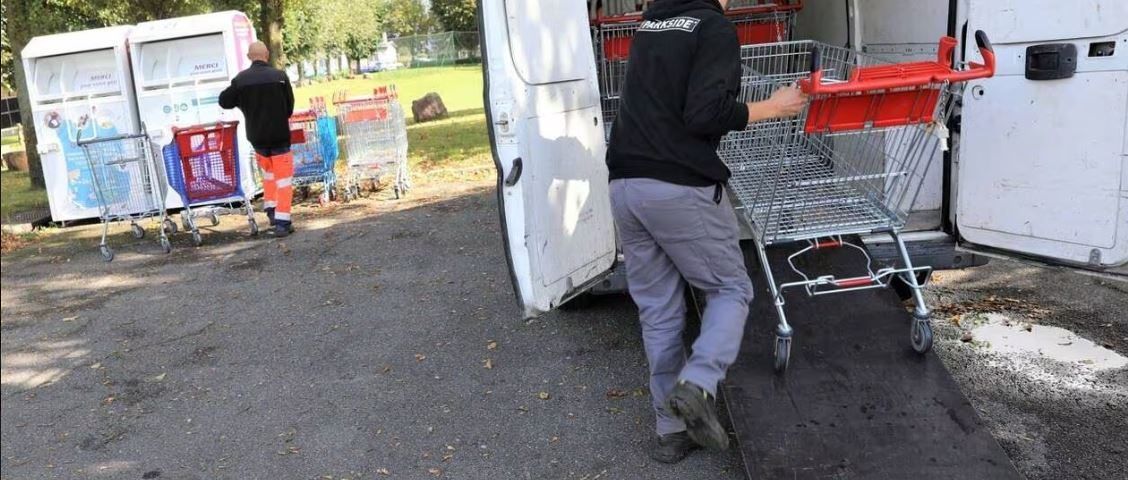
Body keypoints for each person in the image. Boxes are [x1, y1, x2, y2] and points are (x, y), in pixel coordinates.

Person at [605, 0, 808, 463]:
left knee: (658, 311)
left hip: (625, 183)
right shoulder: (712, 27)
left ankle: (670, 432)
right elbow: (704, 114)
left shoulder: (652, 22)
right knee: (731, 289)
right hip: (678, 186)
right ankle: (697, 385)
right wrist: (775, 107)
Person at [219, 41, 296, 237]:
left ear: (248, 57)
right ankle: (282, 223)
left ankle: (271, 210)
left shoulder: (241, 80)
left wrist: (244, 102)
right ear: (267, 54)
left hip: (257, 138)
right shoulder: (279, 77)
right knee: (284, 181)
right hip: (280, 137)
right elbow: (289, 107)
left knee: (268, 176)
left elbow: (224, 101)